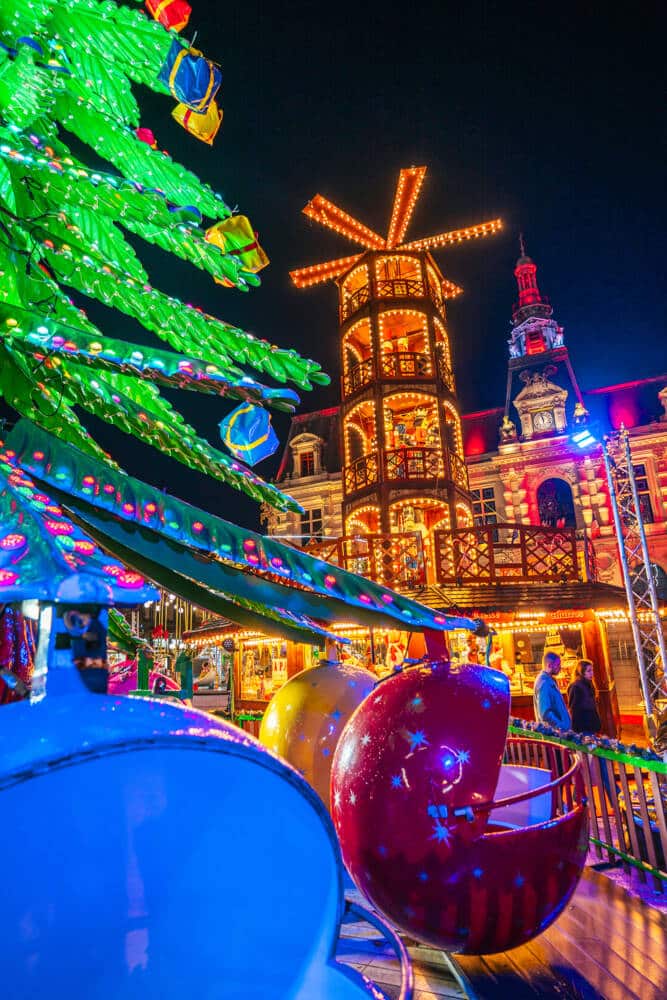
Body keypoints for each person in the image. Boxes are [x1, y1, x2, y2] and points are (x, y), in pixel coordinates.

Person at [533, 652, 571, 731]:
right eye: (558, 665)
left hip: (557, 734)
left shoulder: (548, 680)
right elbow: (545, 713)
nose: (560, 667)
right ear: (549, 665)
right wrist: (561, 726)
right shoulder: (544, 683)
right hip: (554, 735)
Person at [567, 660, 602, 735]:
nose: (592, 673)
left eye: (592, 670)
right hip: (583, 727)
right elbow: (573, 710)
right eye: (589, 671)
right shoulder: (576, 686)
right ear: (581, 672)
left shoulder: (588, 683)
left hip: (591, 725)